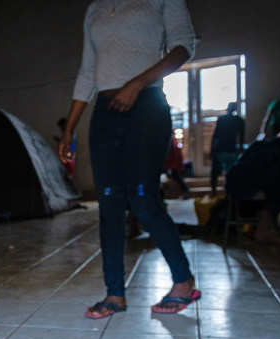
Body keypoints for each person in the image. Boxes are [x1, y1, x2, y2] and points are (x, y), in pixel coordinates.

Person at [58, 0, 200, 318]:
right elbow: (87, 71)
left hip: (146, 106)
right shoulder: (94, 8)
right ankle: (114, 294)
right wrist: (69, 127)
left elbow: (183, 46)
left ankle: (183, 280)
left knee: (143, 201)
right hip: (104, 114)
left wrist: (137, 83)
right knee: (109, 205)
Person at [210, 102, 245, 196]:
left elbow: (215, 135)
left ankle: (215, 193)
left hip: (221, 149)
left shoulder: (222, 119)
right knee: (230, 173)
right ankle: (229, 193)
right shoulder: (239, 120)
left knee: (216, 173)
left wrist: (212, 149)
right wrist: (241, 150)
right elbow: (241, 138)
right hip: (231, 150)